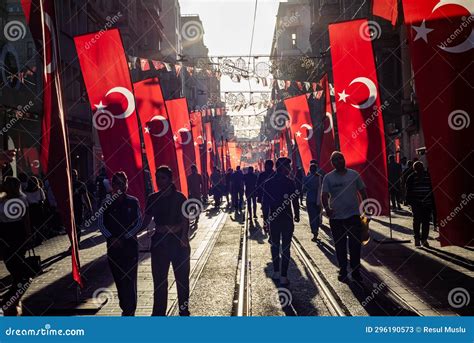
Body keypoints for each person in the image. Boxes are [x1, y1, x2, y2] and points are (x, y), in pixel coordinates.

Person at [140, 166, 190, 316]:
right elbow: (145, 221)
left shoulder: (180, 197)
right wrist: (131, 233)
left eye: (163, 178)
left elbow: (185, 220)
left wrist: (183, 238)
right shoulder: (153, 198)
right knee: (160, 281)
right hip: (160, 244)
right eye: (157, 178)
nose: (159, 181)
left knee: (182, 280)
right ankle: (159, 313)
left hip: (178, 245)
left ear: (170, 179)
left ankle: (183, 309)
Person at [97, 172, 142, 316]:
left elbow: (138, 222)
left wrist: (125, 237)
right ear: (113, 185)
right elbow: (100, 223)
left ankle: (130, 310)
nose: (120, 187)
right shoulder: (106, 203)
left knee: (130, 279)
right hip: (113, 248)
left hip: (130, 248)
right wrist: (111, 238)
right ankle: (125, 306)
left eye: (123, 183)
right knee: (119, 280)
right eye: (117, 184)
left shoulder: (133, 201)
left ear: (127, 184)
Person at [322, 151, 368, 283]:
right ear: (332, 163)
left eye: (340, 158)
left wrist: (365, 206)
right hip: (336, 218)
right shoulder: (328, 178)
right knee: (340, 245)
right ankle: (343, 269)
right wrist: (327, 209)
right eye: (335, 160)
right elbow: (324, 195)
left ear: (344, 159)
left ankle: (356, 270)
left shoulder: (354, 175)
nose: (338, 161)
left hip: (353, 216)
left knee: (355, 245)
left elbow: (363, 191)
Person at [262, 158, 300, 285]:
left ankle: (277, 271)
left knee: (274, 245)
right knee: (286, 247)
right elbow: (295, 199)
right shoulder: (290, 182)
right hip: (287, 219)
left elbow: (265, 204)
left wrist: (266, 220)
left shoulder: (268, 183)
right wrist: (297, 214)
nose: (290, 169)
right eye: (288, 166)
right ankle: (283, 276)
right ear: (282, 168)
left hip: (273, 219)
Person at [0, 177, 31, 315]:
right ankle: (13, 294)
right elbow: (26, 219)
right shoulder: (22, 198)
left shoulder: (1, 201)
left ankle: (11, 296)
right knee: (17, 262)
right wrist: (29, 234)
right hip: (19, 232)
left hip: (5, 233)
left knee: (11, 263)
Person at [405, 161, 435, 247]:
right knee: (418, 221)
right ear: (415, 169)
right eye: (418, 168)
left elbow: (432, 189)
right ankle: (418, 239)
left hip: (427, 204)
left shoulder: (428, 176)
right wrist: (410, 202)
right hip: (417, 204)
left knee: (424, 222)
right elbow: (408, 191)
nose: (419, 169)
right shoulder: (411, 177)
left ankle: (423, 239)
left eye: (420, 167)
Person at [303, 163, 323, 242]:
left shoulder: (307, 178)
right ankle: (316, 231)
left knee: (312, 217)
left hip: (310, 200)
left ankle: (314, 232)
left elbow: (304, 189)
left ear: (310, 169)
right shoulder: (320, 178)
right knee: (317, 216)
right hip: (318, 200)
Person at [24, 176, 46, 245]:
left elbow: (26, 201)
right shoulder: (39, 190)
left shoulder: (26, 191)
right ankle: (39, 239)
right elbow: (43, 198)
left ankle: (34, 238)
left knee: (33, 225)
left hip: (31, 209)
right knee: (40, 225)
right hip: (38, 208)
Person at [72, 169, 92, 243]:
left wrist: (89, 207)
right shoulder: (67, 185)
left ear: (77, 176)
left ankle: (77, 241)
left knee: (78, 226)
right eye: (72, 175)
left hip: (79, 207)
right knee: (71, 227)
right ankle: (73, 242)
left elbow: (86, 197)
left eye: (75, 175)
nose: (74, 177)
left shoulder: (81, 184)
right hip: (70, 209)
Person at [256, 160, 274, 231]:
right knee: (267, 213)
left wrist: (259, 197)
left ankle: (267, 225)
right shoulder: (274, 174)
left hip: (267, 197)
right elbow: (258, 186)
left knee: (267, 213)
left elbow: (258, 186)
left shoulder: (262, 175)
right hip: (269, 198)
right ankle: (267, 225)